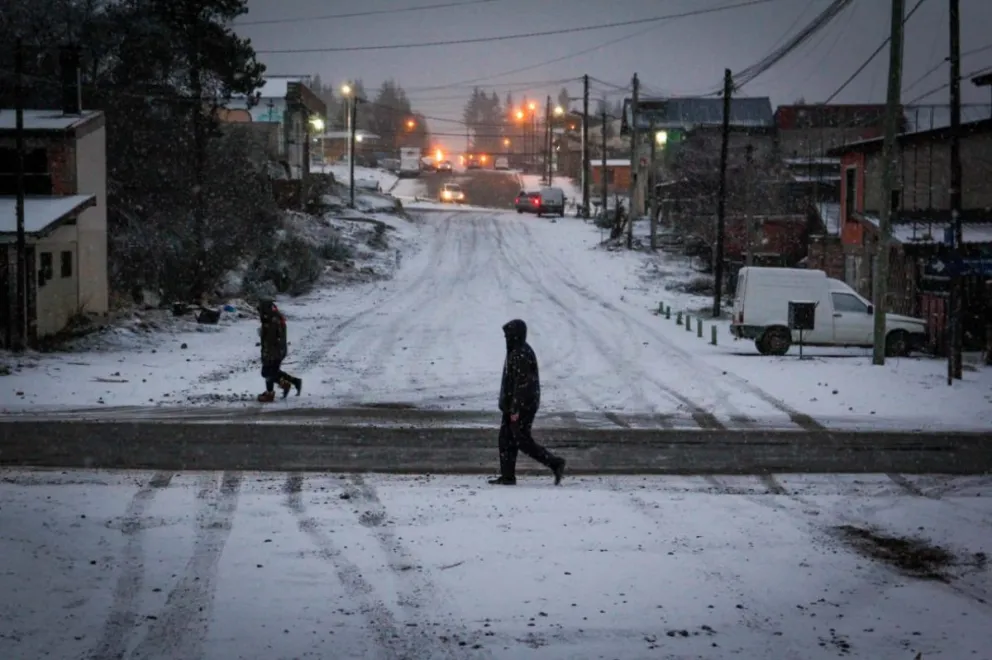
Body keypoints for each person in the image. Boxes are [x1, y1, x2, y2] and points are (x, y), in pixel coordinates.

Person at [490, 319, 566, 486]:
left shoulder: (521, 353)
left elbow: (522, 383)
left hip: (521, 406)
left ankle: (555, 463)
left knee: (521, 441)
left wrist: (515, 409)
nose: (505, 339)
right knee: (507, 440)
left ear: (515, 335)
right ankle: (507, 476)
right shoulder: (518, 350)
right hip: (515, 405)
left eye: (507, 335)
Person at [257, 299, 302, 403]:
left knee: (268, 372)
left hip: (274, 351)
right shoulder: (274, 317)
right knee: (271, 372)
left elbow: (271, 338)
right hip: (276, 350)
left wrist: (267, 352)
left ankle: (271, 393)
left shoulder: (271, 320)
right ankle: (290, 383)